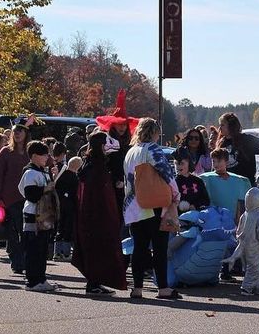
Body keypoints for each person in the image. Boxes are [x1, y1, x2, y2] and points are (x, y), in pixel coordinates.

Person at [123, 117, 180, 300]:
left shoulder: (130, 152)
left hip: (133, 205)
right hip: (154, 204)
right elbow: (166, 172)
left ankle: (137, 288)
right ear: (155, 132)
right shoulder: (153, 149)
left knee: (139, 247)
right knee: (159, 247)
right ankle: (163, 288)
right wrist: (175, 194)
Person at [73, 131, 127, 297]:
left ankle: (96, 282)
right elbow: (96, 192)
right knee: (98, 249)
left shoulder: (93, 164)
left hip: (93, 215)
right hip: (97, 216)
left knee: (97, 249)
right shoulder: (95, 166)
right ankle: (94, 283)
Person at [201, 148, 250, 281]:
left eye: (219, 161)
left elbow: (241, 201)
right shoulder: (206, 179)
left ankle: (226, 271)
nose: (216, 164)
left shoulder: (239, 181)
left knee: (229, 245)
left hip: (231, 218)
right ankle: (211, 272)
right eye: (213, 161)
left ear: (226, 161)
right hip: (214, 217)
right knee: (215, 245)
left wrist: (239, 217)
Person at [18, 140, 58, 292]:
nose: (47, 157)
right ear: (34, 156)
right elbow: (30, 195)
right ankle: (33, 281)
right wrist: (45, 188)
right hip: (33, 214)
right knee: (34, 249)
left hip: (44, 214)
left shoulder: (42, 171)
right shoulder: (30, 172)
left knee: (42, 249)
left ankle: (41, 278)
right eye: (44, 155)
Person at [0, 123, 31, 275]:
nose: (17, 134)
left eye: (20, 131)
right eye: (15, 131)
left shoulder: (31, 151)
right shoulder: (5, 152)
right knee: (12, 231)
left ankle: (23, 259)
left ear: (26, 133)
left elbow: (47, 163)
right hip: (10, 198)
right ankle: (16, 261)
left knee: (25, 231)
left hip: (28, 198)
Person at [96, 89, 140, 213]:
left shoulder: (130, 144)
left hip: (129, 187)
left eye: (124, 124)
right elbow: (105, 165)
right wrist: (115, 180)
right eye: (119, 124)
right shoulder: (107, 142)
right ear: (113, 125)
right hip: (111, 187)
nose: (122, 127)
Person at [225, 187, 259, 296]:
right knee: (255, 267)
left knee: (248, 266)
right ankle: (246, 288)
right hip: (255, 246)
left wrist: (239, 240)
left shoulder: (244, 215)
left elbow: (238, 230)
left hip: (243, 244)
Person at [216, 112, 259, 185]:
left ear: (231, 126)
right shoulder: (221, 143)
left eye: (222, 125)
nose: (219, 128)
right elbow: (216, 163)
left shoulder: (246, 139)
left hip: (245, 184)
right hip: (226, 184)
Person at [53, 156, 80, 261]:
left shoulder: (61, 175)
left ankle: (57, 251)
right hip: (70, 206)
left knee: (59, 227)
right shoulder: (74, 178)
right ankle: (66, 252)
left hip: (60, 205)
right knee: (67, 228)